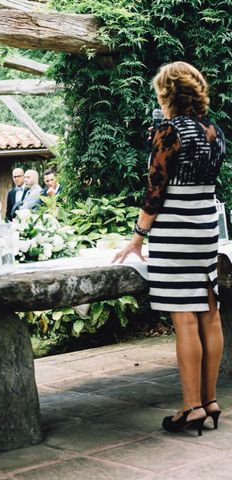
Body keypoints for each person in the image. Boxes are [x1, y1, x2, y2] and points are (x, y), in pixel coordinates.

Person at [113, 62, 226, 435]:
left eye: (160, 93)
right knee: (208, 310)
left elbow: (156, 189)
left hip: (175, 227)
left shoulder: (167, 131)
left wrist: (136, 238)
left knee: (184, 317)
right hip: (206, 223)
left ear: (168, 94)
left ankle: (191, 406)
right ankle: (209, 402)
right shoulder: (215, 132)